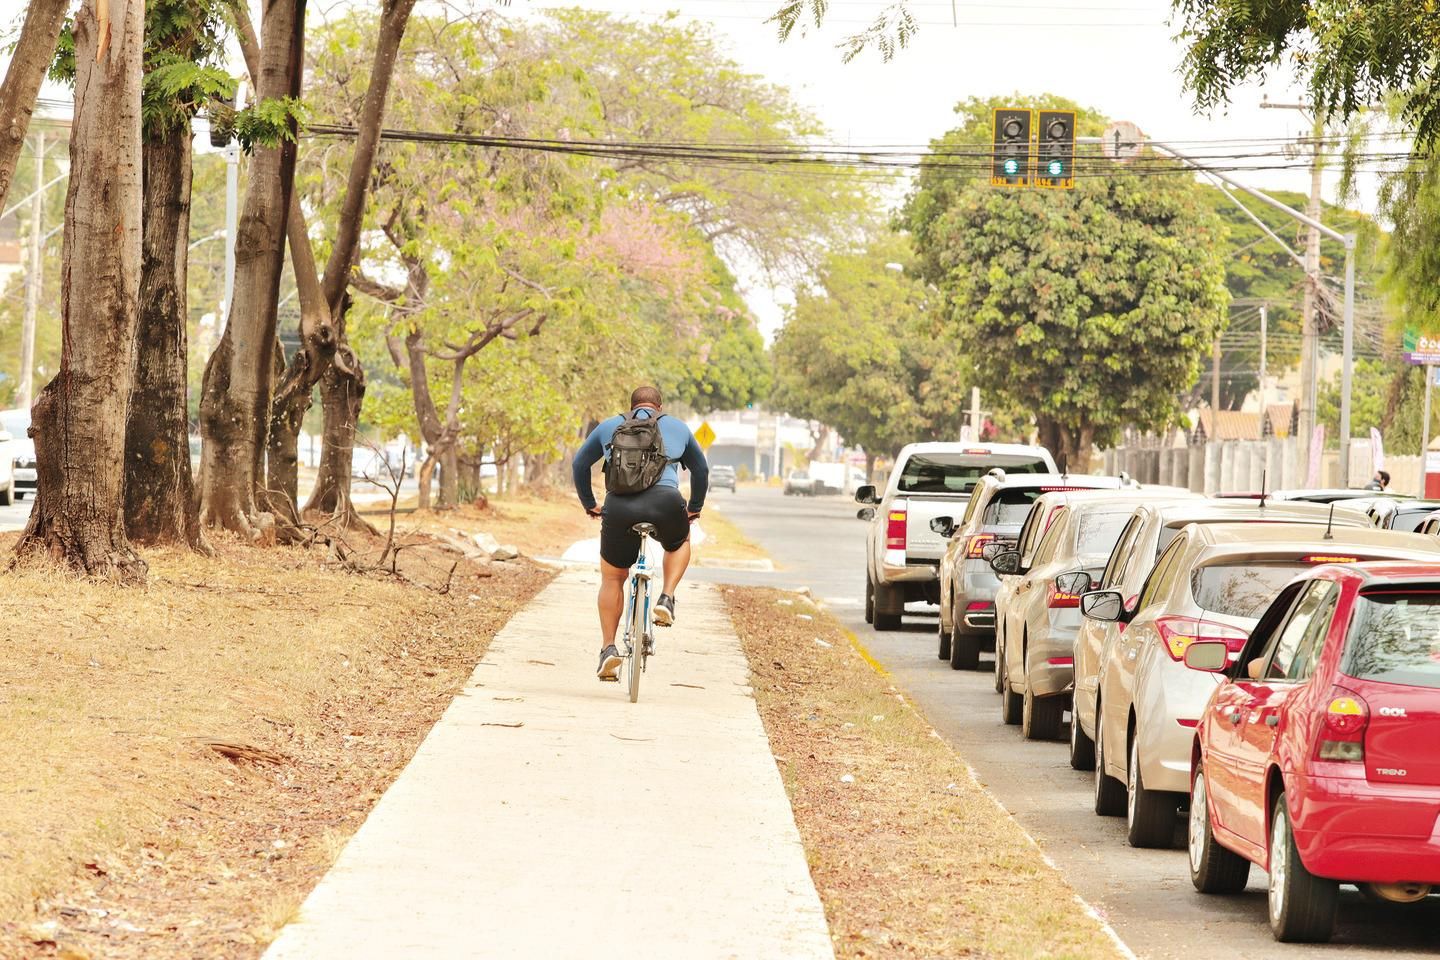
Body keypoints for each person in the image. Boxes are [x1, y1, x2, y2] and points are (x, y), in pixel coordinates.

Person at [572, 386, 709, 681]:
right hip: (665, 502)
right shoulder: (677, 427)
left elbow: (579, 464)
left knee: (613, 577)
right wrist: (694, 509)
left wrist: (589, 504)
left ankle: (608, 649)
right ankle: (667, 598)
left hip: (619, 506)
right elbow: (701, 470)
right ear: (659, 407)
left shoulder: (610, 425)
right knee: (679, 540)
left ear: (631, 406)